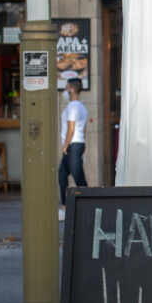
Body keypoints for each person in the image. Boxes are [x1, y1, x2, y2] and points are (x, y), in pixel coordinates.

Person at [57, 78, 88, 220]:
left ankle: (90, 204)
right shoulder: (81, 106)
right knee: (62, 174)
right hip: (77, 143)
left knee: (78, 177)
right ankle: (64, 207)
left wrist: (65, 145)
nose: (65, 89)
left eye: (67, 87)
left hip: (73, 145)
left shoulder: (73, 107)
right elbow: (84, 128)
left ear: (72, 89)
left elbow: (71, 128)